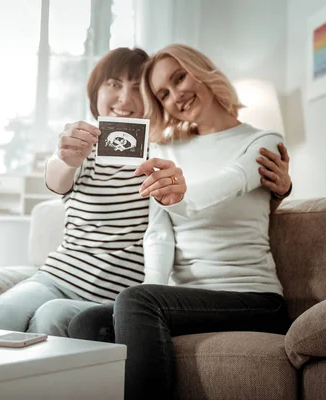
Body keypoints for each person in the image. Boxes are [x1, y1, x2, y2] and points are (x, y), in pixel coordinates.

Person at [0, 47, 291, 339]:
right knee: (0, 314)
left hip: (120, 292)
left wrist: (279, 191)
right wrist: (64, 158)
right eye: (113, 84)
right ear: (96, 93)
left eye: (137, 88)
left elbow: (219, 191)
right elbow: (57, 179)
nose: (124, 99)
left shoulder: (163, 155)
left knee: (51, 318)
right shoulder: (83, 149)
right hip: (59, 277)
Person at [68, 44, 292, 399]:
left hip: (253, 299)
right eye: (163, 94)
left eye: (179, 77)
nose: (177, 95)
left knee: (136, 302)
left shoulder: (263, 140)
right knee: (85, 322)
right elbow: (158, 234)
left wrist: (180, 196)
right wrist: (145, 292)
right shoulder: (167, 149)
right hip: (186, 300)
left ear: (202, 70)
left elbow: (232, 182)